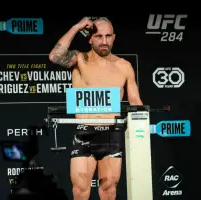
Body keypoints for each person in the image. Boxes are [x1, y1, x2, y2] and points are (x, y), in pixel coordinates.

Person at [49, 17, 143, 200]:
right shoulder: (79, 59)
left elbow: (135, 102)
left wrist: (140, 131)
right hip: (85, 132)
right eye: (99, 36)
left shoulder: (124, 66)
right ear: (90, 39)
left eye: (108, 36)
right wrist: (76, 26)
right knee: (81, 190)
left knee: (109, 191)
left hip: (111, 134)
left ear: (114, 37)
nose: (104, 41)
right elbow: (55, 57)